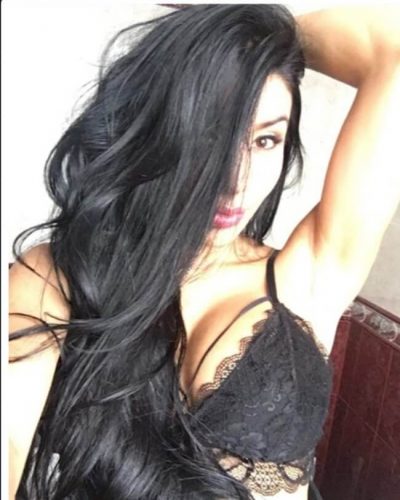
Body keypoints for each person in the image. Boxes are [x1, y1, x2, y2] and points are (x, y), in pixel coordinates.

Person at [8, 4, 400, 500]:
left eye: (265, 139)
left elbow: (393, 50)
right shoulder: (57, 277)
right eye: (210, 136)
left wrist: (259, 40)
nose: (236, 181)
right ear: (156, 134)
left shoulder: (312, 271)